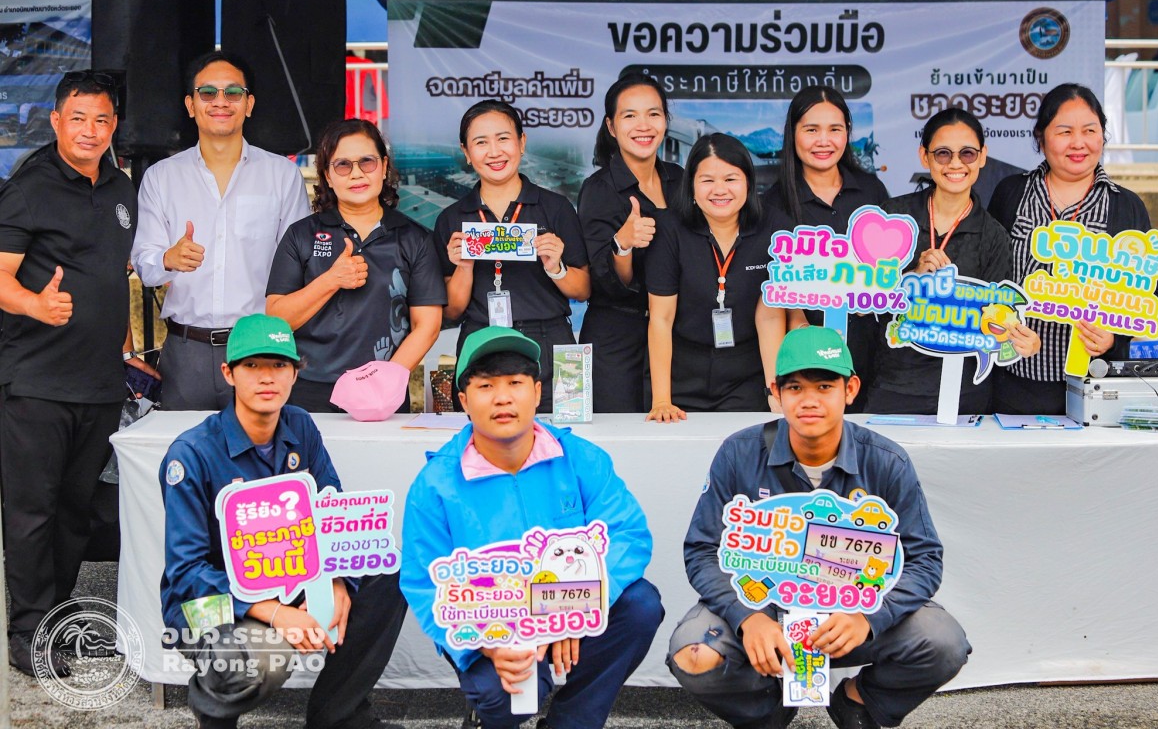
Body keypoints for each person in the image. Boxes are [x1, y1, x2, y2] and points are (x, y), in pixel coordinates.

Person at [667, 326, 971, 729]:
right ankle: (768, 711)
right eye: (795, 388)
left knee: (943, 642)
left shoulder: (886, 461)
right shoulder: (739, 453)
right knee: (693, 653)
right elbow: (703, 550)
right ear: (776, 393)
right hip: (764, 607)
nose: (809, 400)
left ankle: (858, 702)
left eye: (825, 386)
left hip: (853, 612)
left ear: (850, 389)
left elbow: (925, 559)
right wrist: (747, 617)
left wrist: (869, 617)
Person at [400, 326, 663, 729]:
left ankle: (572, 723)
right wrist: (485, 644)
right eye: (485, 385)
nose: (503, 397)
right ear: (464, 400)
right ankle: (487, 713)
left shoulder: (580, 458)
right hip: (492, 622)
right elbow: (422, 581)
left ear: (538, 393)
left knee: (641, 605)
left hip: (573, 602)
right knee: (506, 697)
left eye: (515, 383)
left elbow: (627, 535)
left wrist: (571, 609)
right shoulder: (435, 483)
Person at [159, 314, 406, 728]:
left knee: (387, 566)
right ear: (229, 373)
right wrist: (275, 613)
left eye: (278, 365)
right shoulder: (191, 454)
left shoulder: (300, 425)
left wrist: (338, 581)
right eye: (252, 365)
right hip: (208, 600)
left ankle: (337, 716)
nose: (266, 377)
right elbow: (186, 574)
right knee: (260, 661)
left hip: (289, 580)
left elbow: (333, 515)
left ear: (295, 373)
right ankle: (213, 712)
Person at [0, 70, 158, 676]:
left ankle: (54, 619)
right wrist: (35, 305)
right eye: (78, 119)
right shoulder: (28, 188)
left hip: (99, 383)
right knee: (32, 512)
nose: (90, 131)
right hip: (36, 383)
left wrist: (124, 346)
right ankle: (27, 633)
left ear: (114, 125)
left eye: (101, 120)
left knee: (74, 511)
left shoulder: (121, 187)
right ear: (56, 121)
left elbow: (109, 275)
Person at [132, 50, 310, 410]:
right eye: (208, 92)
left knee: (265, 446)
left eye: (233, 92)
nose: (220, 102)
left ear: (249, 104)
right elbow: (144, 266)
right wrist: (168, 258)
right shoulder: (161, 177)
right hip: (187, 352)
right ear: (190, 105)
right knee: (184, 445)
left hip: (261, 347)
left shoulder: (282, 175)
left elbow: (299, 268)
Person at [988, 83, 1152, 415]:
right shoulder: (1011, 193)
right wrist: (1003, 323)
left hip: (1095, 386)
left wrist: (1114, 338)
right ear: (1041, 137)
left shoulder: (1126, 206)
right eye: (1065, 131)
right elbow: (988, 273)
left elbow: (1146, 290)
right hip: (1013, 384)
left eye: (1090, 130)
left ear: (1102, 136)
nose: (1078, 143)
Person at [866, 108, 1040, 415]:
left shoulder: (994, 236)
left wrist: (1021, 341)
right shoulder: (893, 218)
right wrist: (910, 277)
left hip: (965, 391)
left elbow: (997, 317)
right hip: (894, 386)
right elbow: (863, 301)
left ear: (982, 157)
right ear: (925, 156)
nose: (956, 164)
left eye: (967, 153)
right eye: (943, 153)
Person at [266, 119, 445, 413]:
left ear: (384, 167)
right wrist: (330, 280)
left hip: (384, 391)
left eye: (367, 162)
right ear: (327, 175)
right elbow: (277, 319)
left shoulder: (415, 238)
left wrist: (385, 381)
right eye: (343, 165)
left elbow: (427, 326)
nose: (357, 173)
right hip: (307, 389)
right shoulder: (301, 234)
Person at [433, 100, 589, 413]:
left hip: (551, 341)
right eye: (481, 142)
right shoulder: (452, 218)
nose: (494, 152)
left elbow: (583, 290)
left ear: (522, 142)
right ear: (466, 152)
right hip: (481, 340)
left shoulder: (556, 208)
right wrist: (463, 266)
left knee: (565, 429)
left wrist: (556, 267)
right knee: (482, 436)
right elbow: (451, 311)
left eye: (503, 138)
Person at [644, 133, 804, 422]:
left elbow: (770, 317)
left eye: (731, 179)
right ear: (691, 185)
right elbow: (661, 319)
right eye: (707, 180)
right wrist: (662, 400)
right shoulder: (669, 228)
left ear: (748, 183)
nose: (720, 190)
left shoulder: (776, 228)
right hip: (681, 372)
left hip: (746, 374)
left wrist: (774, 390)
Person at [763, 86, 890, 409]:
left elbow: (890, 268)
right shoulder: (773, 204)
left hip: (870, 360)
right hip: (804, 364)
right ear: (793, 134)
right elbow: (767, 292)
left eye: (835, 129)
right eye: (811, 130)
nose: (824, 141)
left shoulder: (872, 192)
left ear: (847, 132)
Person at [577, 74, 683, 412]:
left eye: (653, 114)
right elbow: (604, 283)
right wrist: (622, 244)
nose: (643, 125)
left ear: (665, 120)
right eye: (630, 115)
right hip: (617, 343)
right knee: (618, 434)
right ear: (611, 126)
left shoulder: (681, 180)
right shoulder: (599, 190)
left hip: (677, 336)